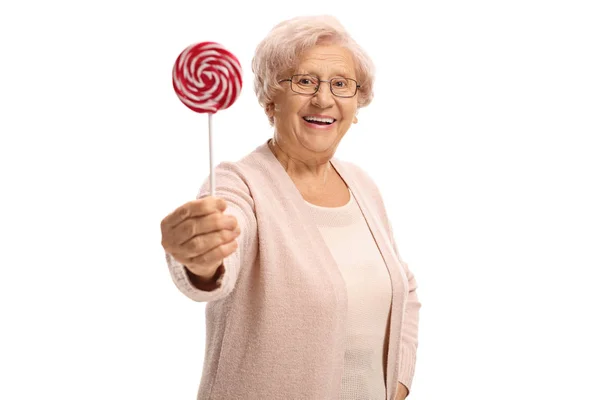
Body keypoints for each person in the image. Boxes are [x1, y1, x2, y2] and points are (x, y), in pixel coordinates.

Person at [160, 15, 421, 400]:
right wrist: (200, 258)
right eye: (304, 81)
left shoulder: (363, 185)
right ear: (271, 98)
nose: (323, 98)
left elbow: (405, 288)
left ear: (357, 101)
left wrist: (397, 384)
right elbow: (220, 252)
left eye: (340, 84)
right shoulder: (239, 183)